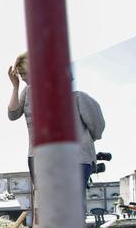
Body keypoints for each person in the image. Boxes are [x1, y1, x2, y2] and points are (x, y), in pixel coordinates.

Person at [8, 51, 106, 188]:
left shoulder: (78, 98)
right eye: (21, 74)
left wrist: (84, 140)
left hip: (73, 157)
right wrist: (15, 87)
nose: (23, 78)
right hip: (39, 157)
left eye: (24, 73)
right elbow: (12, 115)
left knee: (72, 204)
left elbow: (98, 128)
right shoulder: (28, 93)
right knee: (49, 205)